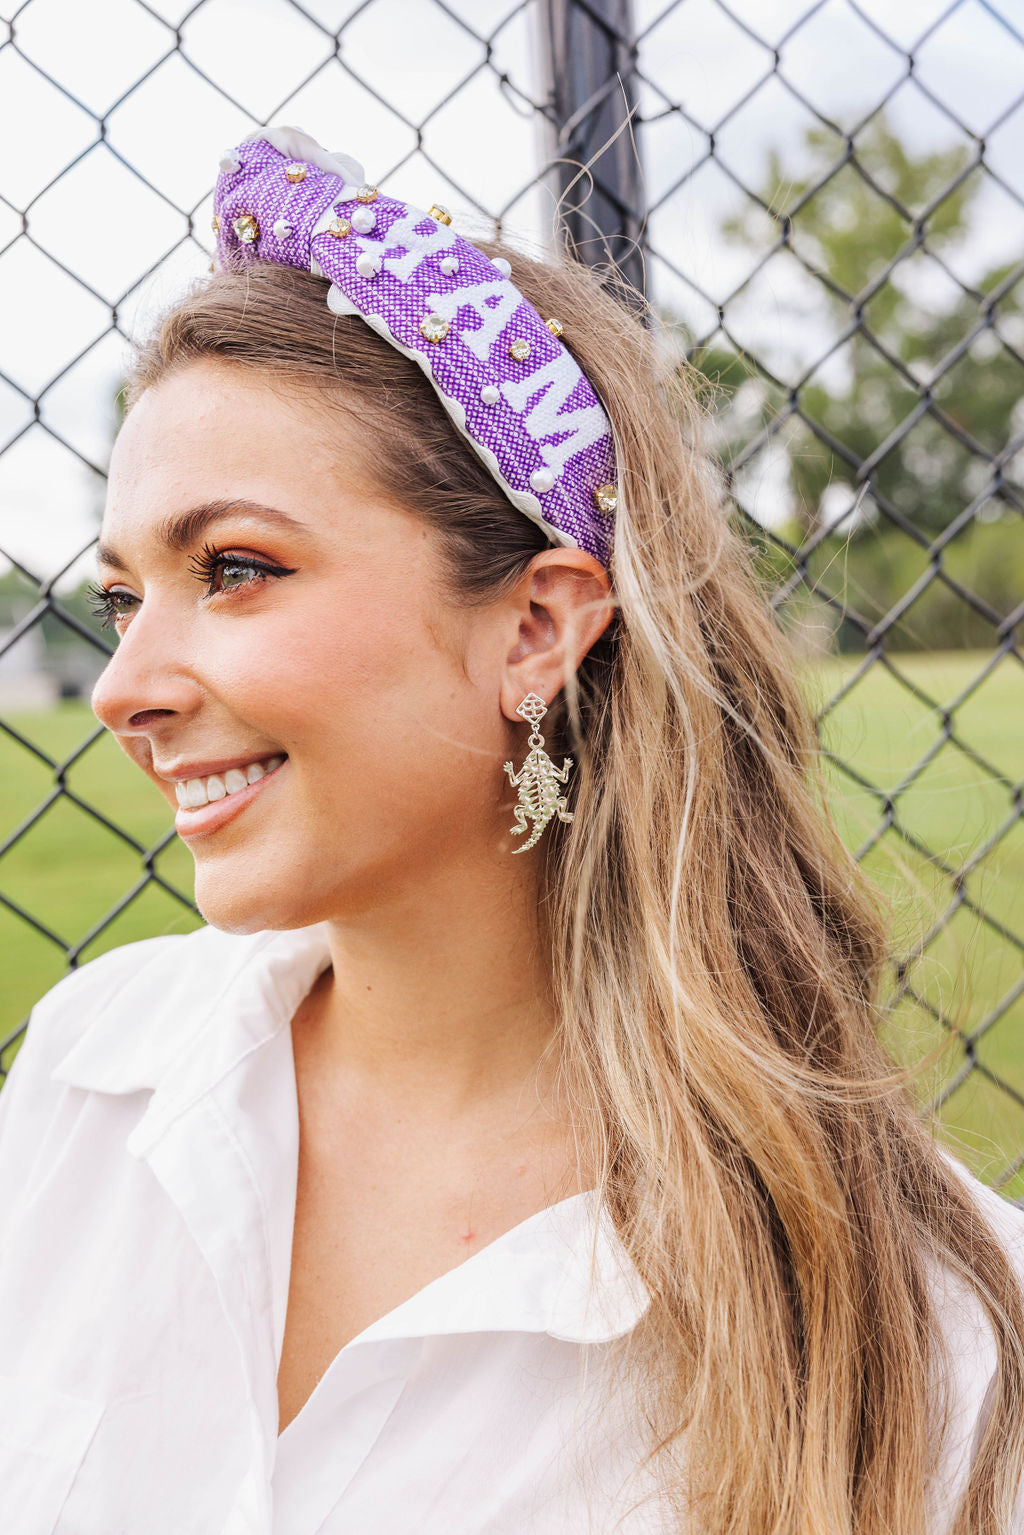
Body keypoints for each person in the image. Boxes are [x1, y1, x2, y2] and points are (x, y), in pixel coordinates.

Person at [0, 123, 1022, 1535]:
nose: (124, 689)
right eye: (124, 597)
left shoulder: (927, 1336)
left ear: (537, 626)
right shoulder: (88, 1079)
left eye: (233, 569)